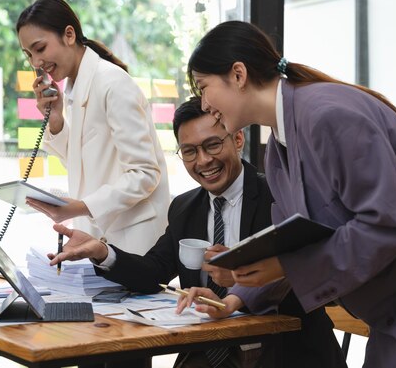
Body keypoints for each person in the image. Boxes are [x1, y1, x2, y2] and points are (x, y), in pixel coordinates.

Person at [180, 20, 396, 368]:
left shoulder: (327, 115)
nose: (204, 101)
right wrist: (233, 300)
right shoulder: (277, 149)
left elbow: (386, 224)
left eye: (204, 86)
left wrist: (283, 265)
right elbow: (298, 242)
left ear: (238, 74)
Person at [50, 97, 346, 368]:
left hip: (285, 350)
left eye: (212, 145)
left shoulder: (278, 196)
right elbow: (153, 272)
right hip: (208, 350)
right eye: (190, 151)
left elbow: (302, 271)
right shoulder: (184, 208)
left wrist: (240, 273)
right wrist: (102, 251)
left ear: (238, 138)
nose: (203, 161)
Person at [15, 0, 170, 254]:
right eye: (29, 55)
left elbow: (145, 174)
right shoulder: (76, 90)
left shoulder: (112, 83)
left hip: (134, 241)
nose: (35, 63)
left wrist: (81, 206)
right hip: (100, 239)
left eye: (40, 49)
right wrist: (56, 122)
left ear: (69, 34)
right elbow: (84, 163)